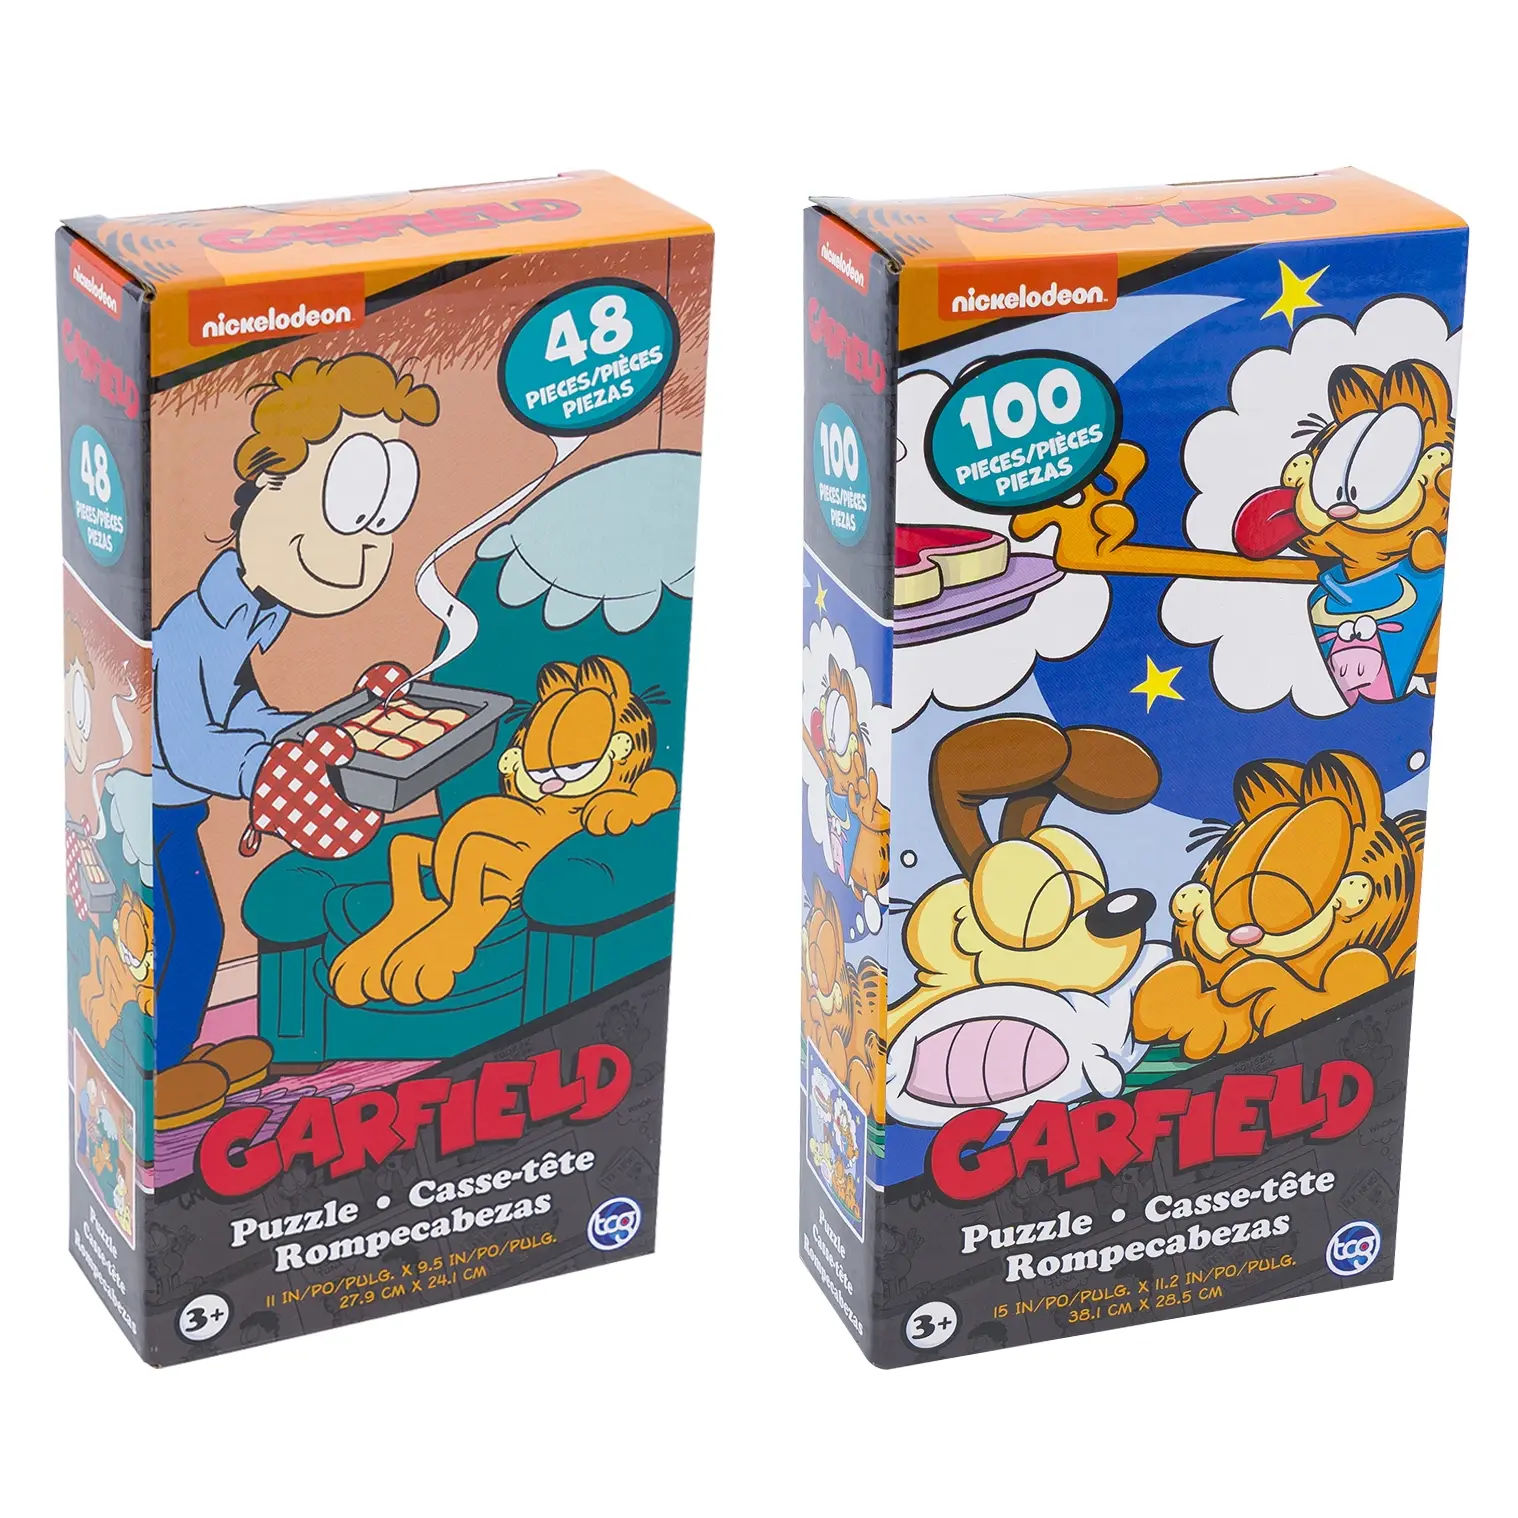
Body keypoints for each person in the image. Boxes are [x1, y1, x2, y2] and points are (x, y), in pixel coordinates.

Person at [151, 353, 438, 1129]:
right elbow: (189, 745)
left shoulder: (246, 615)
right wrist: (272, 763)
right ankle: (155, 1068)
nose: (363, 551)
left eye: (379, 524)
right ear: (269, 487)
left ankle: (172, 1055)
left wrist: (311, 728)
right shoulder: (194, 627)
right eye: (348, 511)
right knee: (180, 931)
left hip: (175, 810)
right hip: (150, 810)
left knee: (191, 928)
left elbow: (243, 706)